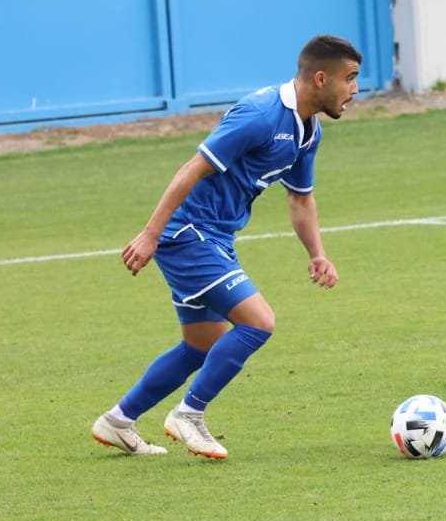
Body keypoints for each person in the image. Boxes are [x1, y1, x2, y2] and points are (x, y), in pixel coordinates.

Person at [91, 35, 361, 458]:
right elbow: (190, 170)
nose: (355, 90)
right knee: (259, 323)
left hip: (215, 237)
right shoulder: (259, 115)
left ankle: (118, 421)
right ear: (321, 78)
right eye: (350, 79)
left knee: (200, 345)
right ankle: (188, 415)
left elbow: (300, 197)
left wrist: (317, 254)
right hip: (188, 235)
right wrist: (150, 234)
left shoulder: (309, 131)